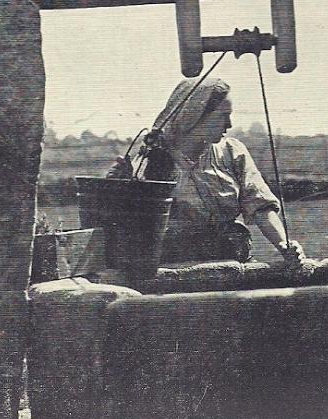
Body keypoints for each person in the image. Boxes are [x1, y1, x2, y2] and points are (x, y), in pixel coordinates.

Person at [110, 78, 315, 276]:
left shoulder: (232, 151)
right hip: (175, 272)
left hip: (233, 265)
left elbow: (260, 205)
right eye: (222, 116)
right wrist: (116, 187)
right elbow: (130, 223)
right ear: (195, 115)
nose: (229, 124)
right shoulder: (152, 157)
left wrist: (284, 244)